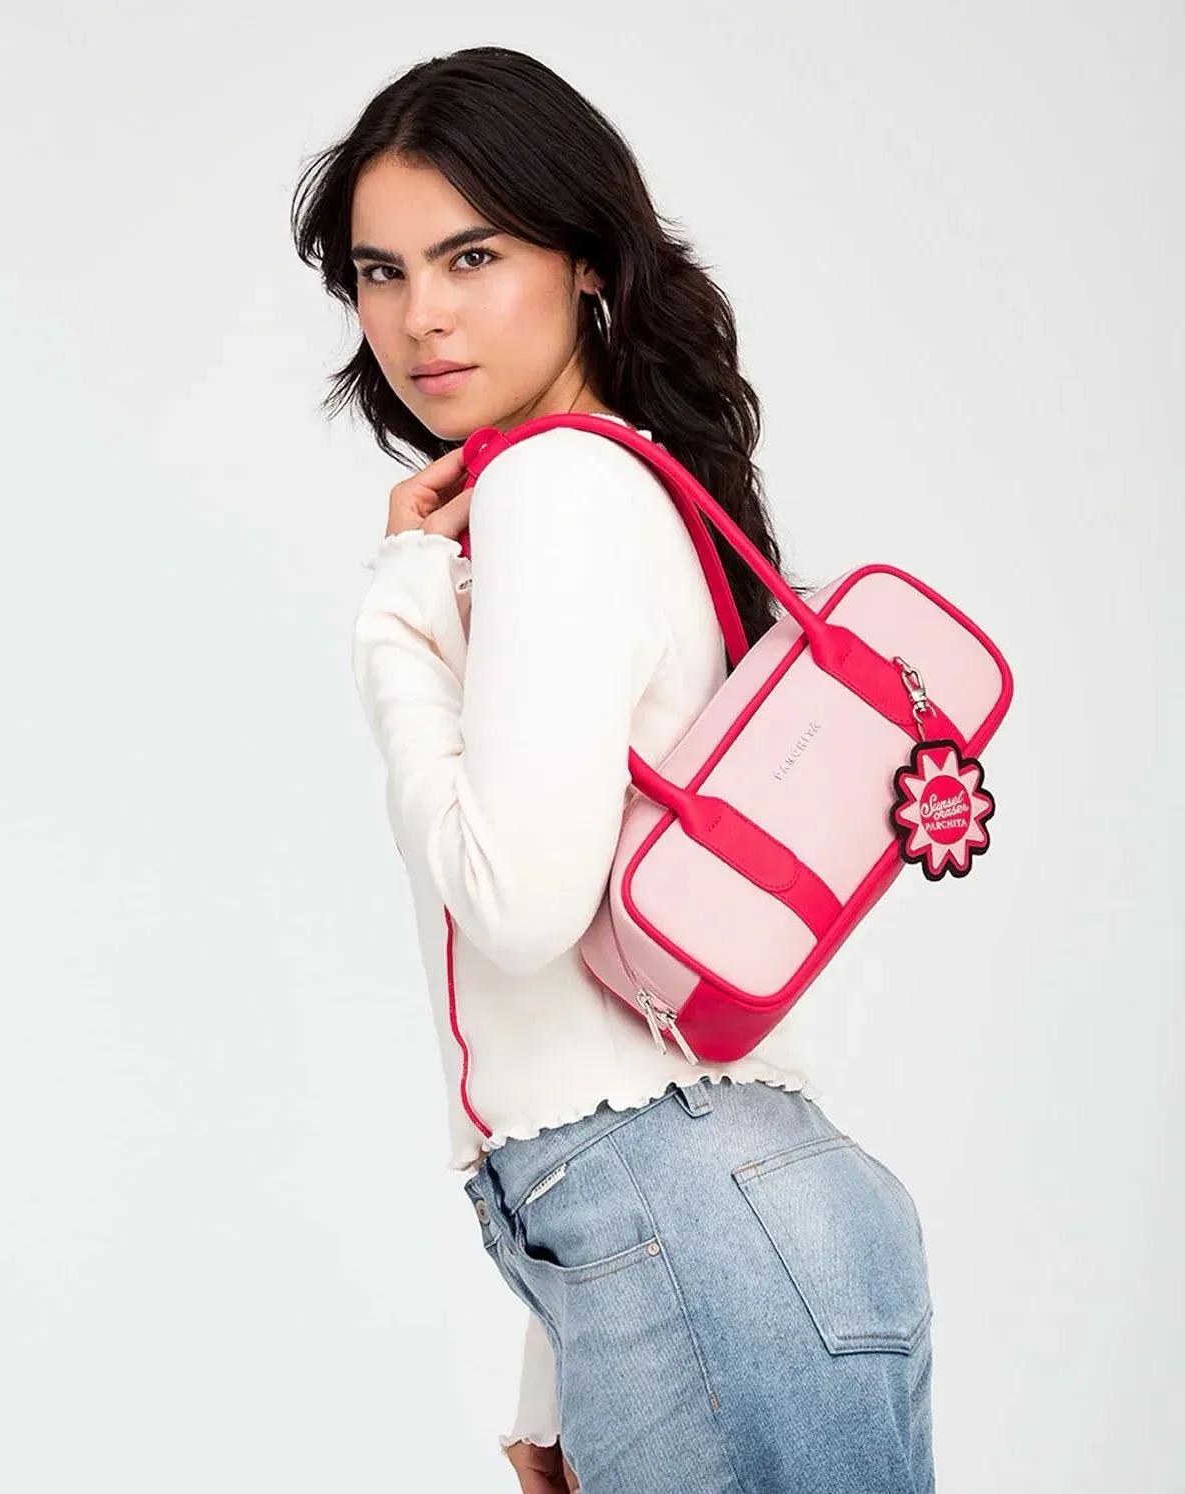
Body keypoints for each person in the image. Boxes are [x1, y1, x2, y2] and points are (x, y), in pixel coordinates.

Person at [292, 44, 935, 1494]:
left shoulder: (558, 485)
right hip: (734, 1221)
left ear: (586, 259)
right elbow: (623, 1003)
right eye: (381, 271)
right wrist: (562, 1358)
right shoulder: (615, 479)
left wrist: (395, 609)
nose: (420, 314)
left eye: (472, 256)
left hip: (697, 1231)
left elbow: (520, 908)